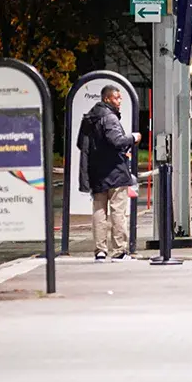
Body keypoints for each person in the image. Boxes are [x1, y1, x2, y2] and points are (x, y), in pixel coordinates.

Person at [77, 85, 141, 262]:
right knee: (118, 211)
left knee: (99, 210)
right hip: (115, 171)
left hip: (96, 171)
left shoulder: (89, 118)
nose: (119, 102)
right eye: (116, 98)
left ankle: (100, 250)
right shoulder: (110, 118)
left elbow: (81, 144)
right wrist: (134, 138)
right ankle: (119, 251)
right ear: (106, 99)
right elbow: (117, 141)